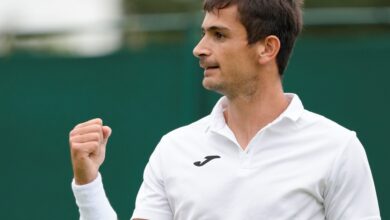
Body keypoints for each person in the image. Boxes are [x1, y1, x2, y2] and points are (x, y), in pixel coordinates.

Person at [69, 0, 381, 219]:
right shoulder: (174, 149)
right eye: (204, 33)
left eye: (219, 35)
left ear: (267, 48)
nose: (199, 48)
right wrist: (88, 184)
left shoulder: (338, 148)